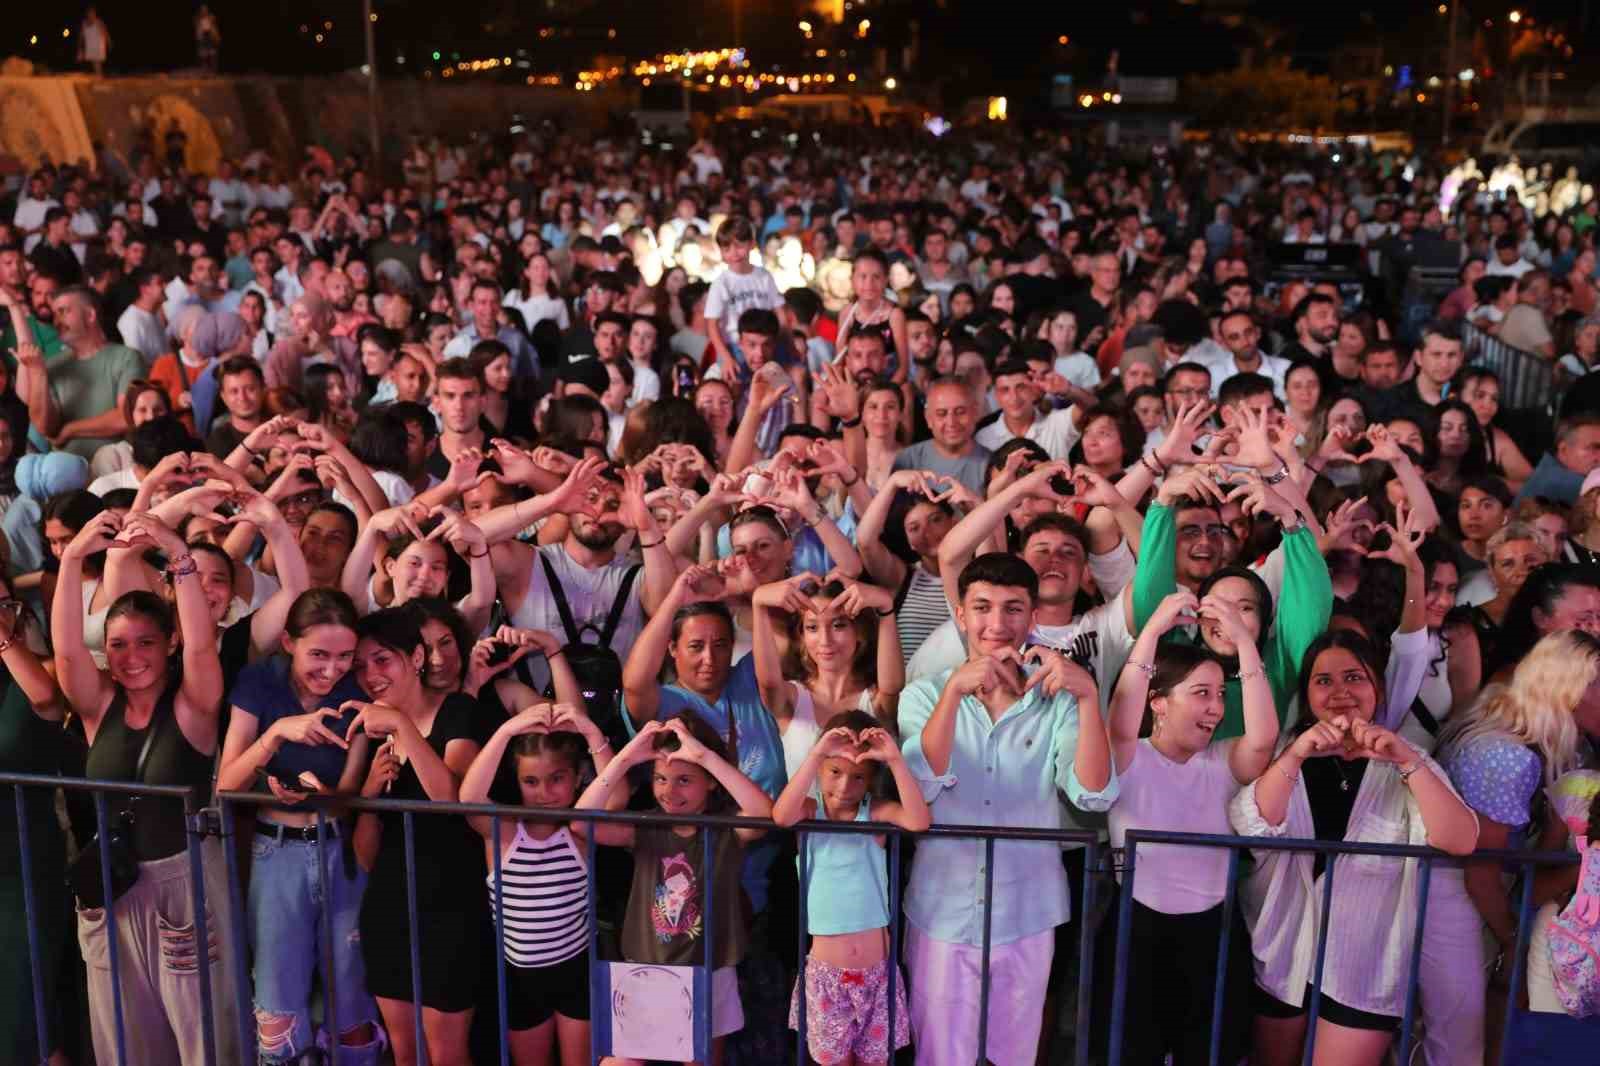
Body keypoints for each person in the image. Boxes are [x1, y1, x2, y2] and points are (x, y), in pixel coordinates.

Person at [896, 552, 1115, 1066]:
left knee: (1015, 1055)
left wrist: (1087, 700)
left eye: (1013, 608)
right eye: (983, 608)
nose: (997, 624)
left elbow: (1093, 794)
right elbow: (920, 788)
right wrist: (953, 692)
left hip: (1029, 911)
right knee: (938, 1055)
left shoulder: (1060, 699)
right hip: (941, 910)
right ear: (962, 614)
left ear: (1033, 616)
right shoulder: (924, 694)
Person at [1228, 631, 1478, 1066]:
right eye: (1323, 681)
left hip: (1364, 962)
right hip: (1282, 953)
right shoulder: (1286, 752)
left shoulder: (1408, 757)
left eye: (1353, 677)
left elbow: (1460, 839)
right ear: (1306, 696)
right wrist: (1297, 755)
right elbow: (1252, 823)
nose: (1340, 691)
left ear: (1377, 689)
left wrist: (1405, 760)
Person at [52, 507, 242, 1066]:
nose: (131, 658)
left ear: (168, 645)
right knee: (121, 1037)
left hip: (184, 885)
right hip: (113, 890)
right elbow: (65, 653)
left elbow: (204, 649)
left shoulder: (193, 706)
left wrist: (179, 554)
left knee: (201, 1037)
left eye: (145, 643)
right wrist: (71, 560)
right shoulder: (97, 707)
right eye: (118, 645)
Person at [1105, 590, 1279, 1065]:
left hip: (1212, 931)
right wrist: (1151, 634)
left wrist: (1244, 642)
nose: (1216, 708)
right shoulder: (1128, 754)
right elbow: (1121, 722)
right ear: (1158, 704)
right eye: (1201, 694)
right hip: (1136, 929)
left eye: (1220, 695)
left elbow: (1264, 739)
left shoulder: (1222, 760)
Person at [213, 589, 382, 1064]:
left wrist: (319, 795)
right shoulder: (258, 683)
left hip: (340, 850)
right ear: (288, 642)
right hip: (275, 850)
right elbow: (227, 783)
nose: (332, 670)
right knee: (277, 994)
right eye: (319, 655)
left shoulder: (357, 691)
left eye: (345, 656)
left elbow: (347, 795)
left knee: (351, 989)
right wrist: (275, 735)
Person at [1429, 631, 1600, 1063]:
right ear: (1569, 689)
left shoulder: (1546, 741)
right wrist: (1512, 938)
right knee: (1460, 1041)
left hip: (1481, 898)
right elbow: (1480, 872)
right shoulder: (1507, 755)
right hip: (1459, 900)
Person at [575, 710, 774, 1066]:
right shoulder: (647, 826)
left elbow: (764, 814)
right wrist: (624, 758)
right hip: (648, 967)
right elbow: (580, 822)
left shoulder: (726, 828)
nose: (670, 791)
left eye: (685, 779)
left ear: (710, 780)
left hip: (709, 969)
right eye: (661, 778)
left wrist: (705, 757)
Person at [348, 607, 486, 1066]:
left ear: (416, 657)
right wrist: (368, 795)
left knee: (447, 1052)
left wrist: (401, 725)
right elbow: (365, 858)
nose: (370, 675)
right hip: (389, 907)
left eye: (382, 660)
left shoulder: (458, 712)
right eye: (361, 666)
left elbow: (451, 801)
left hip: (451, 907)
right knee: (406, 1053)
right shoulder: (372, 733)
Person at [460, 700, 612, 1066]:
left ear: (577, 779)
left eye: (557, 778)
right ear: (518, 782)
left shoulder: (580, 831)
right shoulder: (505, 835)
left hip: (577, 969)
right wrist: (507, 730)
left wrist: (591, 732)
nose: (544, 792)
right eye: (531, 781)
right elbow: (469, 799)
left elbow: (615, 794)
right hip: (520, 977)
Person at [772, 713, 928, 1066]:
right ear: (821, 768)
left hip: (878, 974)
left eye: (858, 777)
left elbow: (918, 820)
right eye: (835, 772)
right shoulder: (809, 814)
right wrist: (816, 753)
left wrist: (894, 760)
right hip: (828, 976)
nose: (844, 787)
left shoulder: (874, 815)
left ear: (871, 781)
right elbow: (781, 816)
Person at [751, 574, 904, 776]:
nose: (825, 640)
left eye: (838, 625)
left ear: (859, 632)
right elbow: (768, 683)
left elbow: (893, 686)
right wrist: (758, 603)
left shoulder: (875, 700)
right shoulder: (792, 698)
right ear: (802, 636)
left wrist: (886, 606)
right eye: (812, 627)